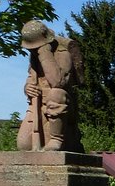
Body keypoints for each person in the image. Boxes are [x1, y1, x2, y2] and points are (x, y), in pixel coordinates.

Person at [16, 20, 84, 152]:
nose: (34, 51)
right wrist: (27, 88)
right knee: (24, 145)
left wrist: (44, 53)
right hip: (39, 105)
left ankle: (57, 139)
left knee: (56, 93)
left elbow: (58, 82)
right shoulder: (34, 58)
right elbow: (31, 78)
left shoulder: (62, 53)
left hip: (61, 105)